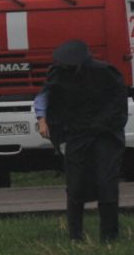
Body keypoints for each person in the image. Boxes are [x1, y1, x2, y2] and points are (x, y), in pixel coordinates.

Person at [43, 39, 128, 243]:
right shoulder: (58, 75)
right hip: (77, 135)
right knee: (75, 184)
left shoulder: (107, 73)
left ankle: (109, 237)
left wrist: (100, 127)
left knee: (106, 181)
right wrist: (60, 135)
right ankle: (75, 237)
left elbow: (118, 108)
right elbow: (53, 107)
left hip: (105, 135)